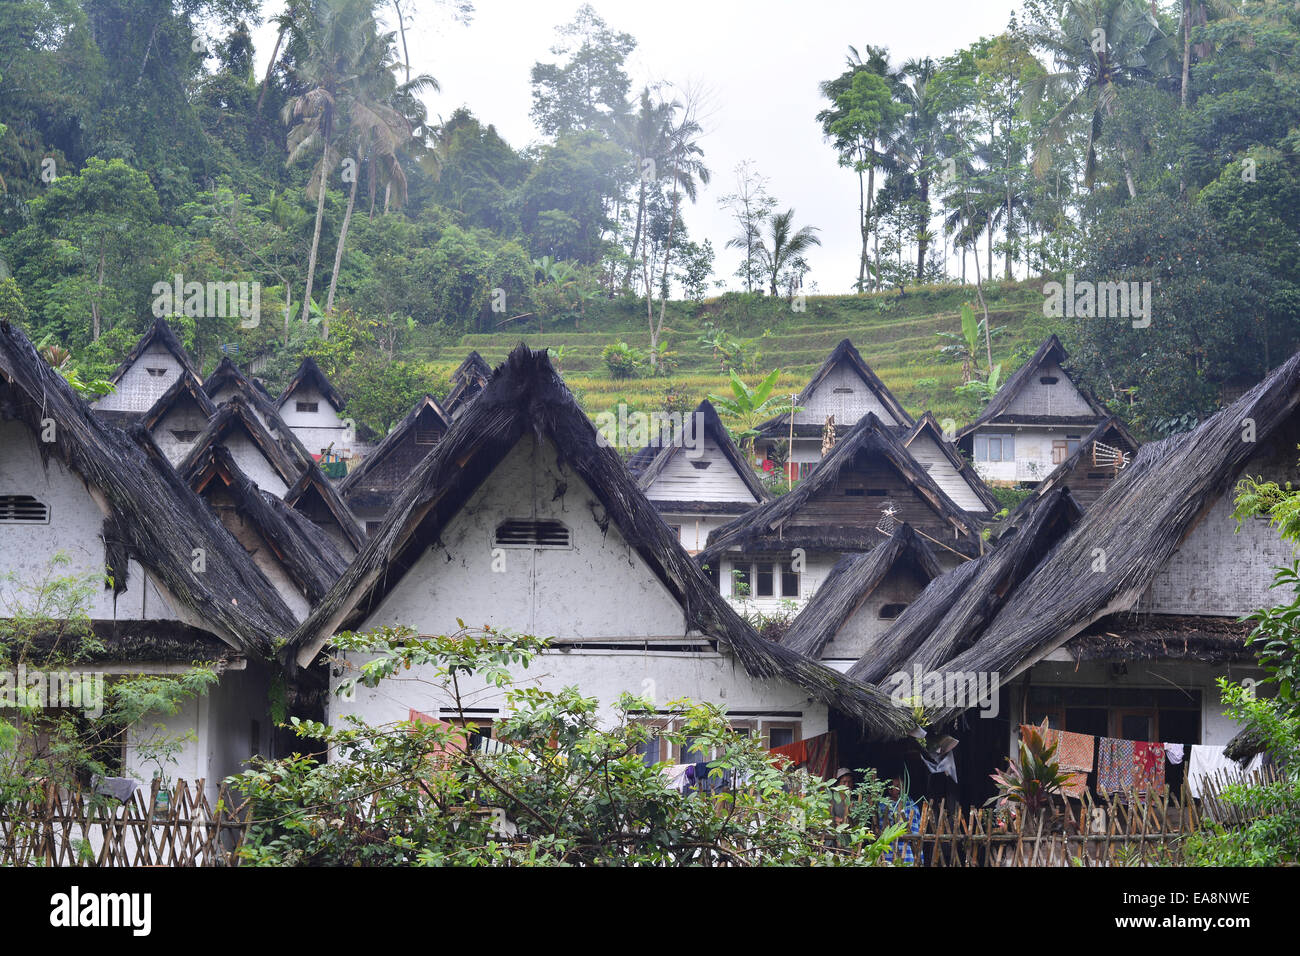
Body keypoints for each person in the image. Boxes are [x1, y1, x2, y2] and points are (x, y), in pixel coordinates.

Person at [877, 776, 924, 864]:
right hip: (890, 846)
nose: (900, 789)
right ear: (890, 790)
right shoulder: (883, 805)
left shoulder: (911, 804)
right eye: (897, 786)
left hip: (910, 846)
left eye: (902, 785)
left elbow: (918, 825)